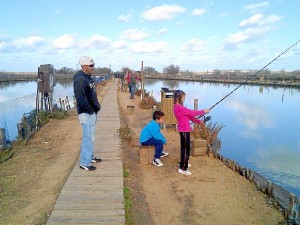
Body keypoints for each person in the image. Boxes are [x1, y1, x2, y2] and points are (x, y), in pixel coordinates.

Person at [74, 56, 102, 171]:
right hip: (86, 113)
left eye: (93, 65)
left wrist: (96, 108)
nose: (93, 67)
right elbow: (80, 98)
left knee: (91, 136)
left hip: (92, 112)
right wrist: (90, 110)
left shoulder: (88, 78)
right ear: (84, 66)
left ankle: (89, 157)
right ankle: (84, 162)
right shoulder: (80, 79)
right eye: (91, 65)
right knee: (87, 137)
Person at [173, 90, 210, 175]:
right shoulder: (179, 107)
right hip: (184, 130)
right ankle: (183, 168)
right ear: (178, 98)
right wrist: (204, 111)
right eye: (183, 98)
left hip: (185, 130)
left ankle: (183, 163)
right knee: (185, 149)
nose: (184, 100)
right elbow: (193, 112)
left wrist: (199, 122)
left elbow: (189, 116)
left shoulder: (178, 107)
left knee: (185, 148)